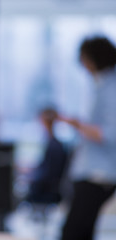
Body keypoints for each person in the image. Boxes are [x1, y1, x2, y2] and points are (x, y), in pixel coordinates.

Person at [59, 36, 116, 240]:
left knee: (72, 232)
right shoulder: (102, 86)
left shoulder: (111, 87)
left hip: (99, 174)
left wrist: (78, 125)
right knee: (81, 231)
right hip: (93, 172)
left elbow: (110, 133)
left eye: (84, 58)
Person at [26, 107, 69, 205]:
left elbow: (47, 174)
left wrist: (32, 177)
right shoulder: (55, 144)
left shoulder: (54, 146)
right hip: (49, 187)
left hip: (46, 190)